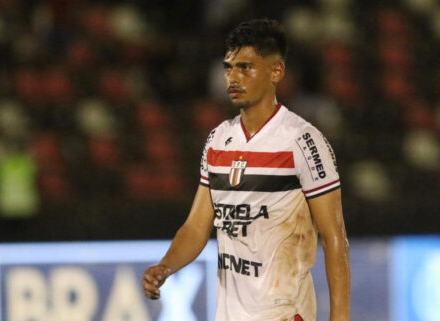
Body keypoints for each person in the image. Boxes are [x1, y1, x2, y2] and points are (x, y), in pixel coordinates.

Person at [142, 18, 350, 321]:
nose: (233, 78)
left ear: (276, 71)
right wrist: (166, 266)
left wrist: (340, 317)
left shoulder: (302, 140)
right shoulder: (218, 140)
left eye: (245, 67)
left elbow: (334, 237)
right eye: (228, 67)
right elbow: (197, 227)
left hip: (285, 313)